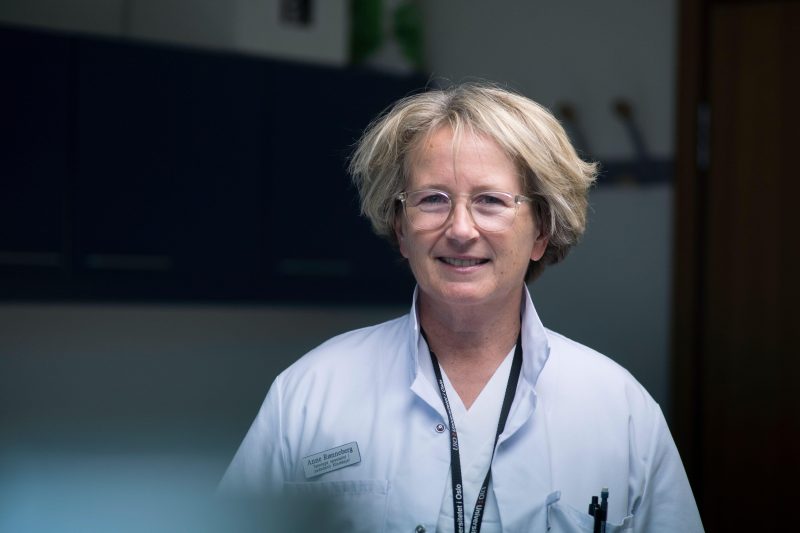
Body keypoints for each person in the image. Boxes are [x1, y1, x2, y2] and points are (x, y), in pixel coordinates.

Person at [219, 82, 704, 532]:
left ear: (541, 231)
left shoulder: (620, 411)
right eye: (433, 199)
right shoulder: (309, 393)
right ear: (400, 227)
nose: (460, 229)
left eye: (490, 200)